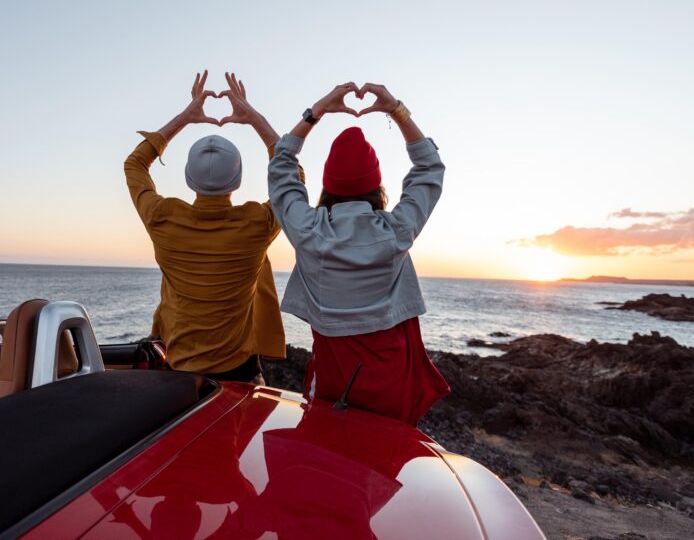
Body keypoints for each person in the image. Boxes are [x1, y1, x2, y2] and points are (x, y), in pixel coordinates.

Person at [267, 82, 450, 425]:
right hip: (390, 377)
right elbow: (430, 168)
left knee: (328, 460)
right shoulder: (397, 231)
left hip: (335, 379)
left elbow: (281, 165)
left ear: (328, 186)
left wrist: (316, 111)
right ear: (377, 187)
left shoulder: (308, 231)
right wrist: (397, 111)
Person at [124, 71, 292, 383]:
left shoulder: (162, 217)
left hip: (179, 372)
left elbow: (134, 164)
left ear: (188, 177)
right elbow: (291, 177)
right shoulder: (257, 223)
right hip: (241, 372)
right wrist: (255, 118)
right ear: (238, 180)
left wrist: (185, 116)